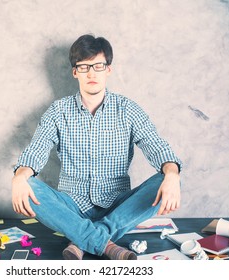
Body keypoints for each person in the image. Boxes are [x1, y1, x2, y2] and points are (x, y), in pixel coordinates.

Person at [11, 34, 182, 260]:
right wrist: (19, 177)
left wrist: (171, 174)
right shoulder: (57, 111)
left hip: (118, 208)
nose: (91, 73)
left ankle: (80, 238)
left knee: (168, 178)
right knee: (29, 184)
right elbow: (36, 150)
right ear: (75, 72)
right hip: (70, 206)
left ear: (108, 70)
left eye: (98, 65)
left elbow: (157, 147)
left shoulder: (128, 109)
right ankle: (108, 245)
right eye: (84, 67)